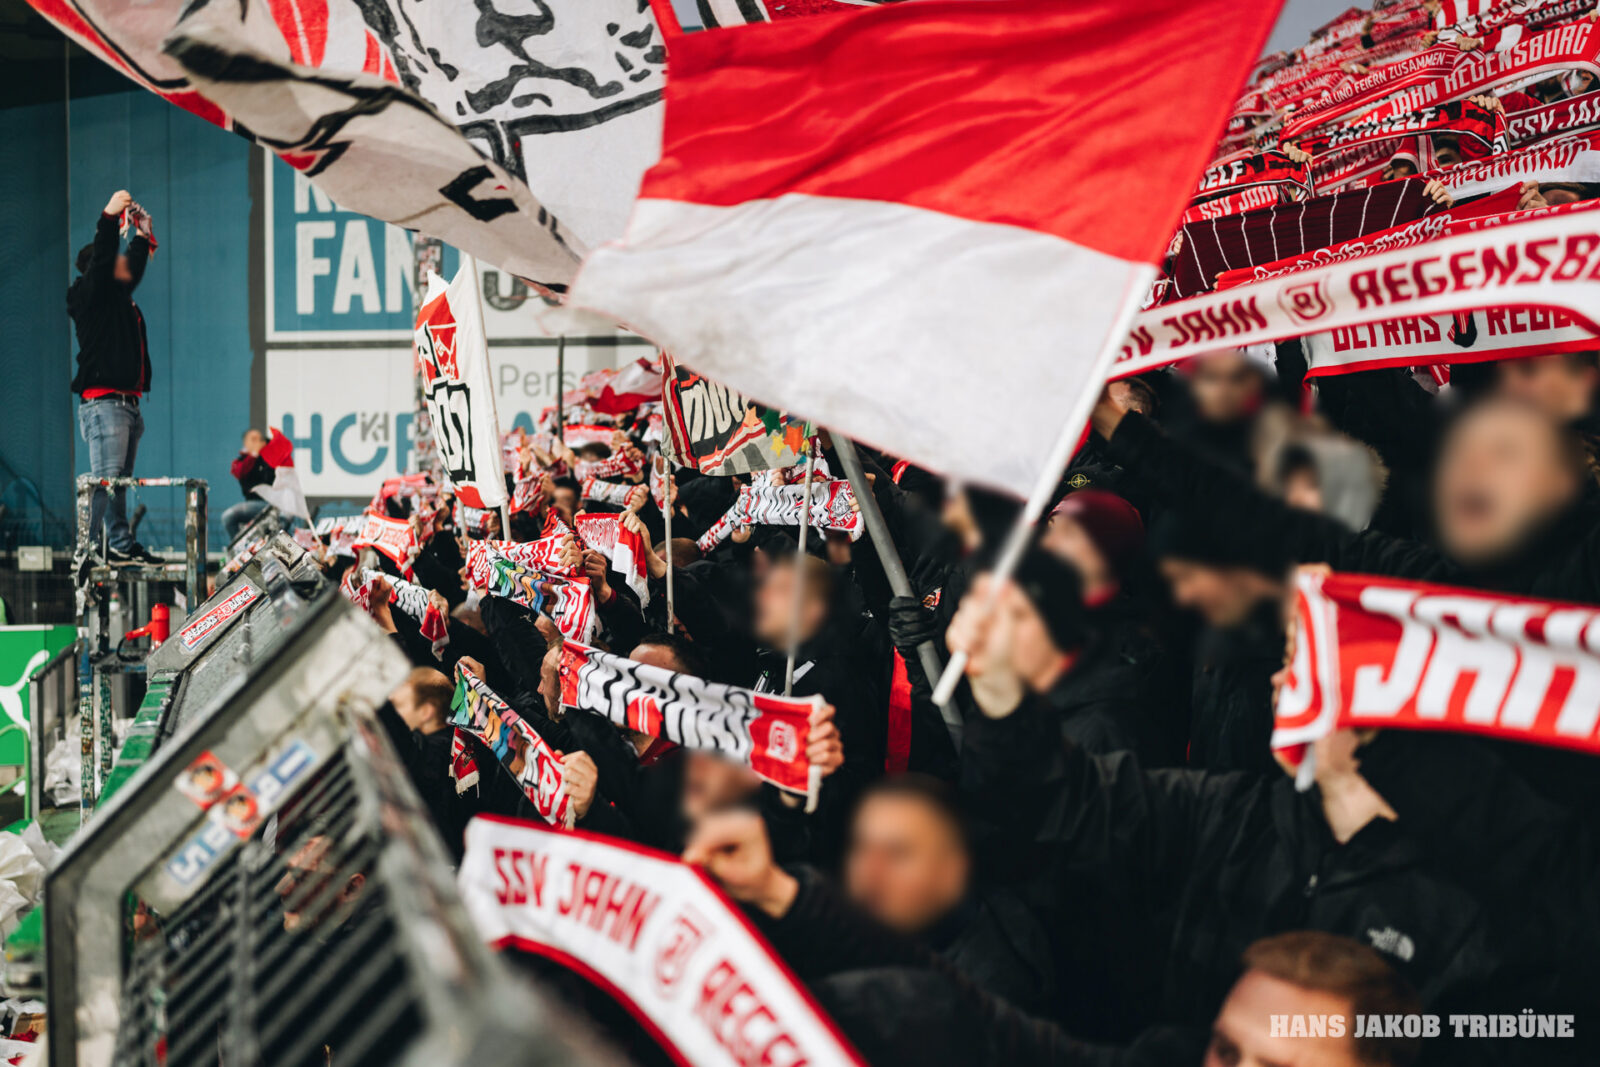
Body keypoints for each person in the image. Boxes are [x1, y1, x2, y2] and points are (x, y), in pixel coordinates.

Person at [69, 189, 159, 563]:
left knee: (117, 483)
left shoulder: (118, 299)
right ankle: (88, 551)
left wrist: (142, 235)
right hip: (105, 404)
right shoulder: (88, 296)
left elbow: (131, 267)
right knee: (106, 481)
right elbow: (107, 258)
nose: (124, 268)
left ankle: (120, 545)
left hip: (124, 405)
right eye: (114, 264)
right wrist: (107, 219)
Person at [224, 428, 272, 541]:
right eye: (253, 439)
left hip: (272, 503)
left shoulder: (270, 457)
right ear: (246, 443)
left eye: (259, 439)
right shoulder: (243, 460)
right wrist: (253, 454)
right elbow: (239, 472)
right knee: (228, 516)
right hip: (254, 504)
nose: (257, 442)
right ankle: (239, 549)